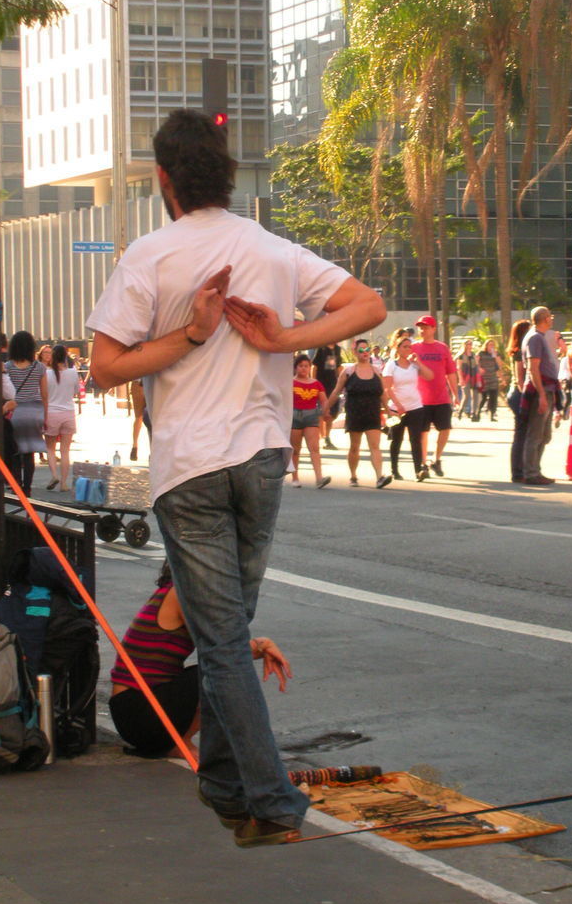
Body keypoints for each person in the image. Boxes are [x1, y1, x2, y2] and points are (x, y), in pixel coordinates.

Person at [88, 108, 384, 847]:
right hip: (262, 459)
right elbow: (367, 306)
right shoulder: (274, 250)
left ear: (164, 180)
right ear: (227, 174)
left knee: (222, 644)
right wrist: (287, 337)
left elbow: (104, 366)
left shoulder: (151, 256)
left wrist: (189, 335)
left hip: (190, 468)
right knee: (229, 635)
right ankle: (225, 789)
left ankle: (272, 802)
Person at [109, 563, 291, 764]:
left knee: (216, 668)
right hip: (139, 712)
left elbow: (226, 649)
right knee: (216, 673)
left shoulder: (172, 590)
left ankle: (179, 741)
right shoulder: (182, 594)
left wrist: (258, 648)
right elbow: (220, 649)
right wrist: (262, 644)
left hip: (135, 711)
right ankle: (179, 743)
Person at [326, 339, 392, 488]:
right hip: (355, 413)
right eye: (361, 350)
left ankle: (379, 477)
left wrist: (389, 412)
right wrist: (325, 408)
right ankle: (353, 476)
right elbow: (336, 391)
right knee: (355, 447)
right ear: (355, 352)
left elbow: (382, 393)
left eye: (366, 349)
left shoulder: (376, 371)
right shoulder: (349, 372)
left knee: (375, 446)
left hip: (373, 413)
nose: (365, 353)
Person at [412, 315, 458, 476]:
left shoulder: (442, 348)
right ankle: (423, 463)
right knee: (423, 432)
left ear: (433, 329)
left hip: (441, 397)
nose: (422, 330)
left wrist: (456, 394)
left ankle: (436, 459)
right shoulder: (413, 348)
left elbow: (451, 372)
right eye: (420, 327)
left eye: (426, 327)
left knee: (445, 429)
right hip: (420, 399)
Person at [382, 336, 433, 480]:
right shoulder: (391, 365)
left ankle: (418, 470)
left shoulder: (413, 365)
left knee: (415, 439)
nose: (408, 349)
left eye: (409, 347)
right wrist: (398, 406)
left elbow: (429, 376)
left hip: (415, 406)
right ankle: (394, 470)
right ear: (397, 349)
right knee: (396, 439)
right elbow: (387, 388)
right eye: (404, 346)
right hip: (397, 408)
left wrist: (418, 362)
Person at [5, 331, 48, 495]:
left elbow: (5, 391)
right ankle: (27, 488)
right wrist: (46, 416)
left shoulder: (8, 367)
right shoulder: (40, 367)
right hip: (34, 412)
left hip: (15, 411)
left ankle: (17, 486)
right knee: (29, 454)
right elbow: (45, 395)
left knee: (15, 452)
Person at [520, 306, 560, 487]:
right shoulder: (535, 338)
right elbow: (533, 367)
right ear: (544, 318)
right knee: (536, 433)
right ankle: (531, 472)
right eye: (549, 316)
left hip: (548, 388)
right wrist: (542, 395)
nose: (551, 318)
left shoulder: (539, 337)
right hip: (540, 389)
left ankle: (535, 469)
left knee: (544, 435)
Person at [290, 355, 331, 488]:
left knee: (314, 448)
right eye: (300, 366)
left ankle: (319, 477)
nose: (303, 368)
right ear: (296, 367)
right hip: (294, 415)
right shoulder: (290, 382)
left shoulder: (316, 383)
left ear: (310, 367)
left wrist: (326, 412)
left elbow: (324, 400)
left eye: (306, 366)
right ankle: (295, 477)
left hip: (311, 415)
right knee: (295, 449)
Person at [44, 344, 79, 492]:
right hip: (68, 413)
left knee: (50, 448)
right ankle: (64, 483)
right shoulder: (73, 372)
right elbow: (76, 391)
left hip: (51, 413)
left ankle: (54, 475)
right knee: (65, 451)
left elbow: (44, 395)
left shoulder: (47, 374)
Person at [506, 318, 532, 483]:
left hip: (518, 394)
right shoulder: (518, 352)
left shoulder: (522, 350)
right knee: (521, 434)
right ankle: (517, 472)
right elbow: (520, 379)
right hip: (519, 395)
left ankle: (522, 469)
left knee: (523, 433)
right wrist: (527, 398)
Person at [311, 343, 341, 447]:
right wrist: (313, 382)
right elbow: (314, 367)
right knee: (321, 412)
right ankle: (322, 437)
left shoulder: (338, 349)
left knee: (331, 413)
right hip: (321, 384)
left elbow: (338, 367)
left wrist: (342, 382)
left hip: (333, 385)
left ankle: (327, 437)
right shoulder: (321, 348)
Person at [475, 340, 501, 421]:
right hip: (484, 378)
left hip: (493, 378)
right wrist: (479, 368)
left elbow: (499, 365)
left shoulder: (495, 354)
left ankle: (492, 415)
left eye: (493, 345)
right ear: (486, 346)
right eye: (490, 345)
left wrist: (495, 356)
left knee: (494, 397)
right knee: (483, 397)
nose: (491, 346)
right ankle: (477, 413)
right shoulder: (481, 353)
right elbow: (475, 362)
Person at [455, 339, 479, 420]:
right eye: (468, 344)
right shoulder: (461, 356)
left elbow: (476, 366)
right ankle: (460, 411)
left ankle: (474, 414)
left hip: (473, 377)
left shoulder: (473, 354)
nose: (470, 345)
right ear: (464, 345)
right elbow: (459, 368)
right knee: (466, 395)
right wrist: (461, 379)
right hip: (465, 377)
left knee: (475, 395)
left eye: (471, 344)